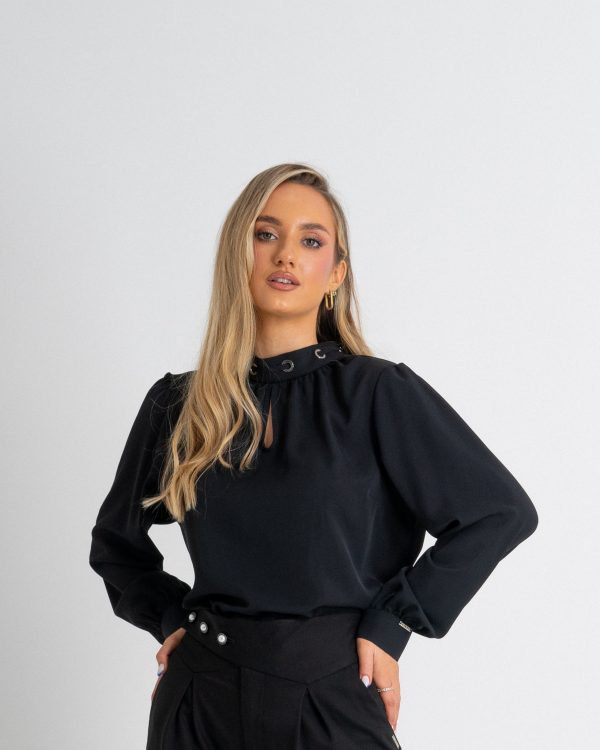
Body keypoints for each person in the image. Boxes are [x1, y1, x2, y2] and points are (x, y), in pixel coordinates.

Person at [89, 163, 539, 750]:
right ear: (237, 255)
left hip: (329, 693)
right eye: (265, 234)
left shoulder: (377, 394)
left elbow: (499, 513)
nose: (286, 255)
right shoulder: (181, 403)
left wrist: (396, 621)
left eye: (311, 241)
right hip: (199, 702)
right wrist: (169, 617)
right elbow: (116, 544)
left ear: (336, 273)